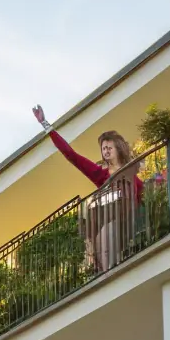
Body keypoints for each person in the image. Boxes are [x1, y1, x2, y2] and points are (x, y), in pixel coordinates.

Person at [33, 105, 144, 272]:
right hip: (110, 221)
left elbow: (142, 198)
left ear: (118, 149)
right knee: (101, 233)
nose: (105, 151)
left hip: (129, 222)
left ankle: (109, 272)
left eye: (109, 148)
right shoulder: (101, 175)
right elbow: (72, 156)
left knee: (106, 232)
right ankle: (104, 273)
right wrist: (46, 125)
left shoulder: (132, 177)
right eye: (103, 148)